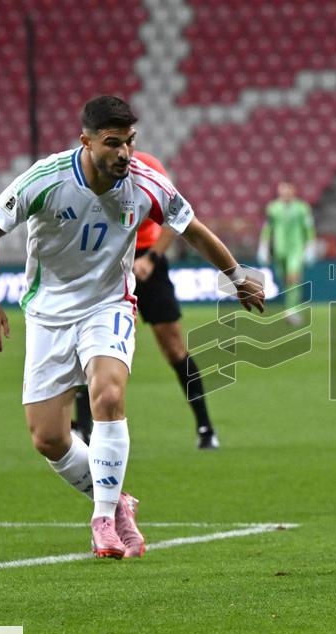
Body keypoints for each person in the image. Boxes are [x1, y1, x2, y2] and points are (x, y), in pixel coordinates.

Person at [0, 96, 264, 560]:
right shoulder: (47, 179)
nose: (124, 153)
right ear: (85, 141)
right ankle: (116, 500)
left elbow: (193, 229)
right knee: (48, 438)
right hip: (47, 314)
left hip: (109, 305)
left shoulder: (146, 184)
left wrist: (236, 277)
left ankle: (103, 520)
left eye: (130, 141)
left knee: (107, 395)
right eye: (112, 143)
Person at [73, 151, 220, 451]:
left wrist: (151, 258)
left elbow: (175, 220)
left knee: (173, 347)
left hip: (146, 261)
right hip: (105, 263)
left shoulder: (148, 167)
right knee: (88, 346)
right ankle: (84, 431)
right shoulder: (84, 169)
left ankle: (205, 427)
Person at [257, 182, 315, 323]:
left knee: (293, 277)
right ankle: (291, 305)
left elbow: (308, 228)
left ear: (293, 192)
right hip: (279, 250)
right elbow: (268, 228)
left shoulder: (302, 208)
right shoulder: (273, 208)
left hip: (296, 249)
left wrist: (311, 245)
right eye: (283, 191)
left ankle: (292, 310)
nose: (285, 194)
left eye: (288, 191)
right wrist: (263, 246)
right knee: (284, 279)